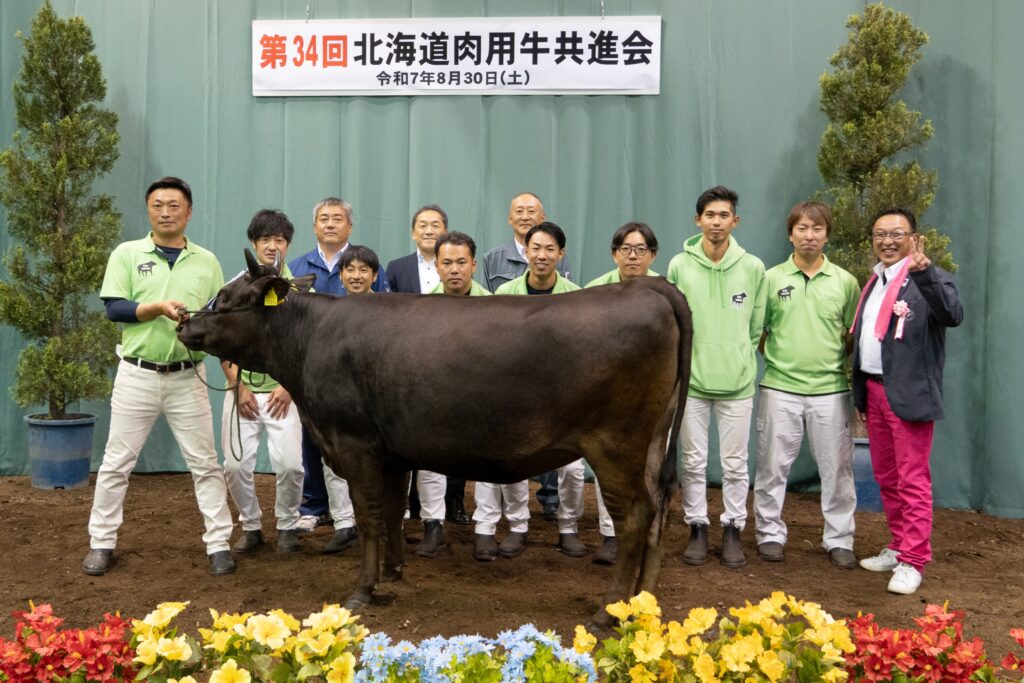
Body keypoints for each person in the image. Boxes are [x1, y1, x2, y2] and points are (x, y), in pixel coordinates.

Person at [83, 176, 236, 577]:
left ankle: (219, 542)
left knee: (205, 463)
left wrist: (229, 365)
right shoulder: (127, 254)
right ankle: (102, 542)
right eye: (157, 205)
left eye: (173, 205)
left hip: (189, 376)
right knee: (116, 463)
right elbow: (114, 308)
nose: (165, 212)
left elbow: (220, 320)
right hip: (138, 375)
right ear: (148, 209)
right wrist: (155, 308)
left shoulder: (207, 260)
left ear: (189, 212)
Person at [852, 207, 963, 595]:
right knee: (887, 476)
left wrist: (924, 272)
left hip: (910, 395)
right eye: (880, 234)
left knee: (913, 478)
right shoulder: (875, 281)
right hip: (876, 392)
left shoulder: (927, 279)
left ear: (915, 238)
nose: (887, 240)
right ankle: (899, 546)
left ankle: (914, 560)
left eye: (897, 233)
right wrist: (861, 392)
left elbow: (952, 314)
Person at [753, 201, 860, 569]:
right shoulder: (770, 279)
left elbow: (850, 335)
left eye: (816, 229)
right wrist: (783, 361)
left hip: (831, 391)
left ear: (827, 234)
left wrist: (826, 362)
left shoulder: (845, 282)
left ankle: (839, 538)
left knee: (837, 470)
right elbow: (760, 332)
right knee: (771, 467)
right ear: (790, 233)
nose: (809, 235)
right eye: (802, 228)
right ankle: (769, 533)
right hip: (779, 388)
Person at [667, 185, 766, 569]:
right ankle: (697, 527)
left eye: (724, 216)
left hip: (737, 384)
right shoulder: (679, 265)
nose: (716, 222)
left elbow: (755, 325)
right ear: (698, 220)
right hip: (691, 382)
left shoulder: (753, 267)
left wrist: (739, 356)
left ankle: (732, 529)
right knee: (692, 461)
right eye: (710, 215)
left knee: (736, 463)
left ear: (735, 221)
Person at [496, 222, 587, 558]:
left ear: (561, 254)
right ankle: (517, 526)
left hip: (565, 398)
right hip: (517, 396)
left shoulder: (577, 296)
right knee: (514, 462)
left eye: (550, 249)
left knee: (573, 468)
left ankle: (568, 527)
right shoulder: (504, 296)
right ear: (526, 252)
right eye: (535, 248)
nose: (542, 255)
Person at [288, 197, 375, 548]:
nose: (329, 224)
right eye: (323, 219)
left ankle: (351, 512)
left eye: (337, 219)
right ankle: (313, 505)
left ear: (349, 227)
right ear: (314, 226)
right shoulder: (297, 267)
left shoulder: (362, 263)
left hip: (353, 374)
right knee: (311, 439)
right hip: (308, 372)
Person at [221, 209, 306, 555]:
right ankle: (251, 525)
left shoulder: (299, 290)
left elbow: (305, 345)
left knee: (290, 465)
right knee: (234, 466)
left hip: (283, 393)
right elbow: (220, 343)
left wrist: (288, 386)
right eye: (266, 240)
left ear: (288, 245)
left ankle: (287, 525)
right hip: (242, 392)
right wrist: (237, 386)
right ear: (254, 244)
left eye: (280, 240)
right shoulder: (232, 289)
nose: (273, 246)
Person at [482, 192, 570, 520]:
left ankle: (554, 507)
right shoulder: (496, 267)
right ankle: (513, 520)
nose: (542, 255)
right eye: (518, 211)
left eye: (531, 211)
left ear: (560, 254)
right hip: (512, 375)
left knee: (555, 443)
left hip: (555, 376)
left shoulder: (571, 289)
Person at [428, 232, 515, 561]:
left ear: (474, 266)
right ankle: (432, 527)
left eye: (461, 262)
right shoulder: (420, 306)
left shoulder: (493, 306)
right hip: (436, 399)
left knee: (487, 462)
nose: (454, 269)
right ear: (436, 267)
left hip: (481, 400)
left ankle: (484, 530)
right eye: (447, 263)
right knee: (429, 464)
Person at [384, 205, 471, 529]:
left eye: (436, 224)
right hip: (412, 368)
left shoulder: (459, 264)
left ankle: (455, 501)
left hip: (457, 364)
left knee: (457, 438)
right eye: (423, 225)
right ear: (413, 232)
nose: (429, 230)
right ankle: (413, 506)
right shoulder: (397, 268)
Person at [584, 221, 661, 565]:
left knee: (653, 466)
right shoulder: (594, 291)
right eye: (625, 249)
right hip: (608, 398)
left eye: (640, 249)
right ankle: (612, 536)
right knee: (609, 465)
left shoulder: (666, 292)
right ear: (615, 254)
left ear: (652, 255)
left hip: (654, 396)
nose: (633, 256)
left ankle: (651, 534)